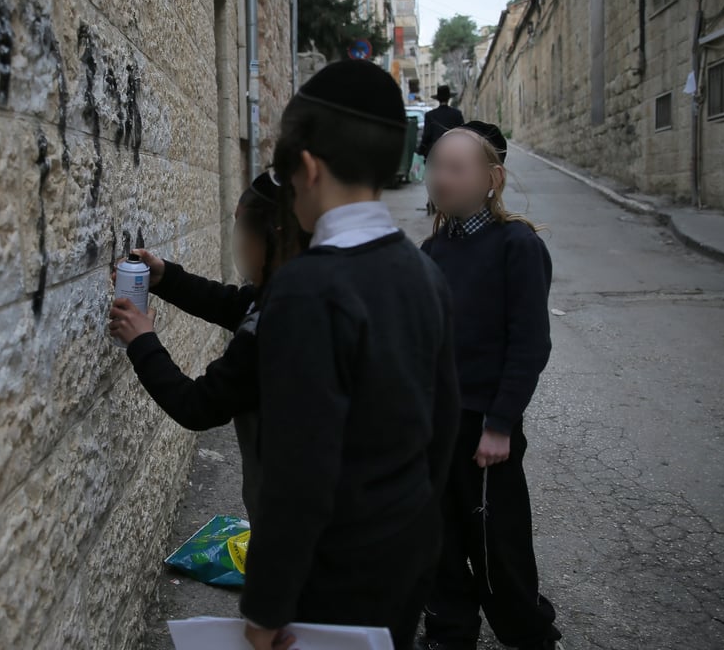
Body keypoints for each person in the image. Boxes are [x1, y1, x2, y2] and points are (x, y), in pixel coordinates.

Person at [239, 59, 461, 650]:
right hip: (406, 553)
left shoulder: (307, 290)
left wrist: (264, 609)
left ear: (307, 169)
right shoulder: (423, 270)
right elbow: (443, 428)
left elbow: (296, 476)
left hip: (330, 582)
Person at [418, 123, 562, 650]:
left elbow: (529, 345)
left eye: (455, 169)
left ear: (492, 179)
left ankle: (530, 634)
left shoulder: (517, 246)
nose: (441, 179)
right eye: (435, 166)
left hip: (485, 432)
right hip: (436, 430)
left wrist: (500, 425)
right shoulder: (432, 249)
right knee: (440, 539)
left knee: (497, 545)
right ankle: (450, 633)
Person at [107, 172, 305, 523]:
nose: (239, 242)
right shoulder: (299, 286)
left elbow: (199, 406)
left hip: (295, 524)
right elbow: (232, 304)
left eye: (244, 230)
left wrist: (141, 342)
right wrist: (166, 277)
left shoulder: (279, 320)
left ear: (274, 236)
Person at [417, 85, 466, 215]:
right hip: (454, 152)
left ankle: (432, 200)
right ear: (449, 98)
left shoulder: (430, 115)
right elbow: (463, 133)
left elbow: (426, 136)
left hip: (435, 152)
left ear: (438, 99)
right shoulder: (456, 114)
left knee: (434, 177)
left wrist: (420, 150)